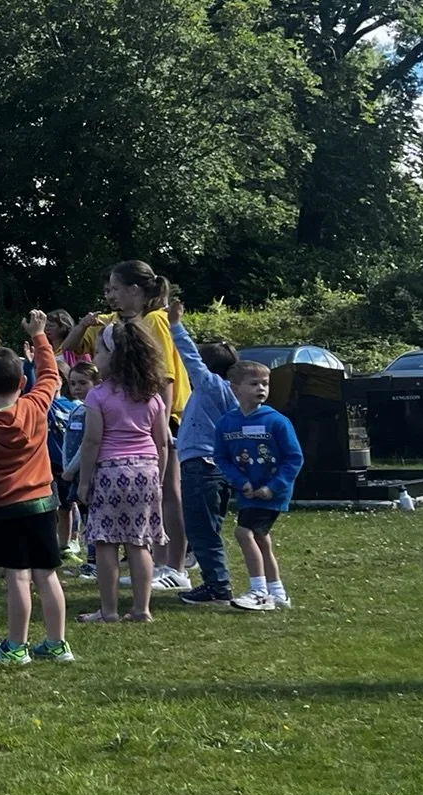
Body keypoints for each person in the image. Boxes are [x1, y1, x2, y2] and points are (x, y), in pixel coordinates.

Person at [0, 312, 71, 666]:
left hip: (5, 510)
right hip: (42, 503)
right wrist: (40, 336)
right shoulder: (36, 406)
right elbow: (52, 375)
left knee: (18, 578)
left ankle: (16, 646)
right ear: (23, 381)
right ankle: (57, 643)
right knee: (47, 574)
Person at [81, 261, 194, 591]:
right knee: (160, 493)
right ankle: (159, 564)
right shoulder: (130, 322)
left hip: (165, 416)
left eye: (116, 288)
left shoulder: (156, 320)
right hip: (153, 414)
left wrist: (165, 421)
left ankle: (175, 566)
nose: (111, 295)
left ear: (136, 290)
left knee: (169, 492)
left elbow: (165, 374)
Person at [75, 320, 170, 623]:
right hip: (147, 471)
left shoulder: (98, 395)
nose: (94, 356)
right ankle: (142, 609)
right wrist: (161, 478)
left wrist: (84, 481)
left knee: (105, 542)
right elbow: (163, 442)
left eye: (99, 350)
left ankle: (109, 610)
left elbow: (92, 441)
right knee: (139, 542)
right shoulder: (152, 395)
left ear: (113, 356)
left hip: (111, 472)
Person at [168, 300, 240, 607]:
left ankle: (217, 587)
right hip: (216, 468)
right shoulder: (231, 393)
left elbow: (189, 356)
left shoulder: (211, 386)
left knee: (200, 530)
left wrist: (175, 324)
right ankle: (215, 582)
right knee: (207, 529)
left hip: (202, 468)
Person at [218, 361, 304, 612]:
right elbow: (221, 458)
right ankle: (278, 592)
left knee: (243, 533)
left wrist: (274, 486)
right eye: (253, 383)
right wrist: (240, 481)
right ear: (235, 389)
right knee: (260, 538)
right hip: (248, 491)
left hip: (271, 492)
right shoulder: (226, 423)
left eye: (265, 384)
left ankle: (259, 592)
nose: (261, 389)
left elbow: (294, 458)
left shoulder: (277, 421)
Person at [52, 360, 96, 560]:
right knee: (86, 514)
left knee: (92, 517)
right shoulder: (77, 410)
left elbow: (87, 444)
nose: (77, 388)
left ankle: (94, 559)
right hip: (69, 470)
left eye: (83, 383)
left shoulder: (92, 411)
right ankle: (92, 559)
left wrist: (70, 469)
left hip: (86, 471)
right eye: (73, 383)